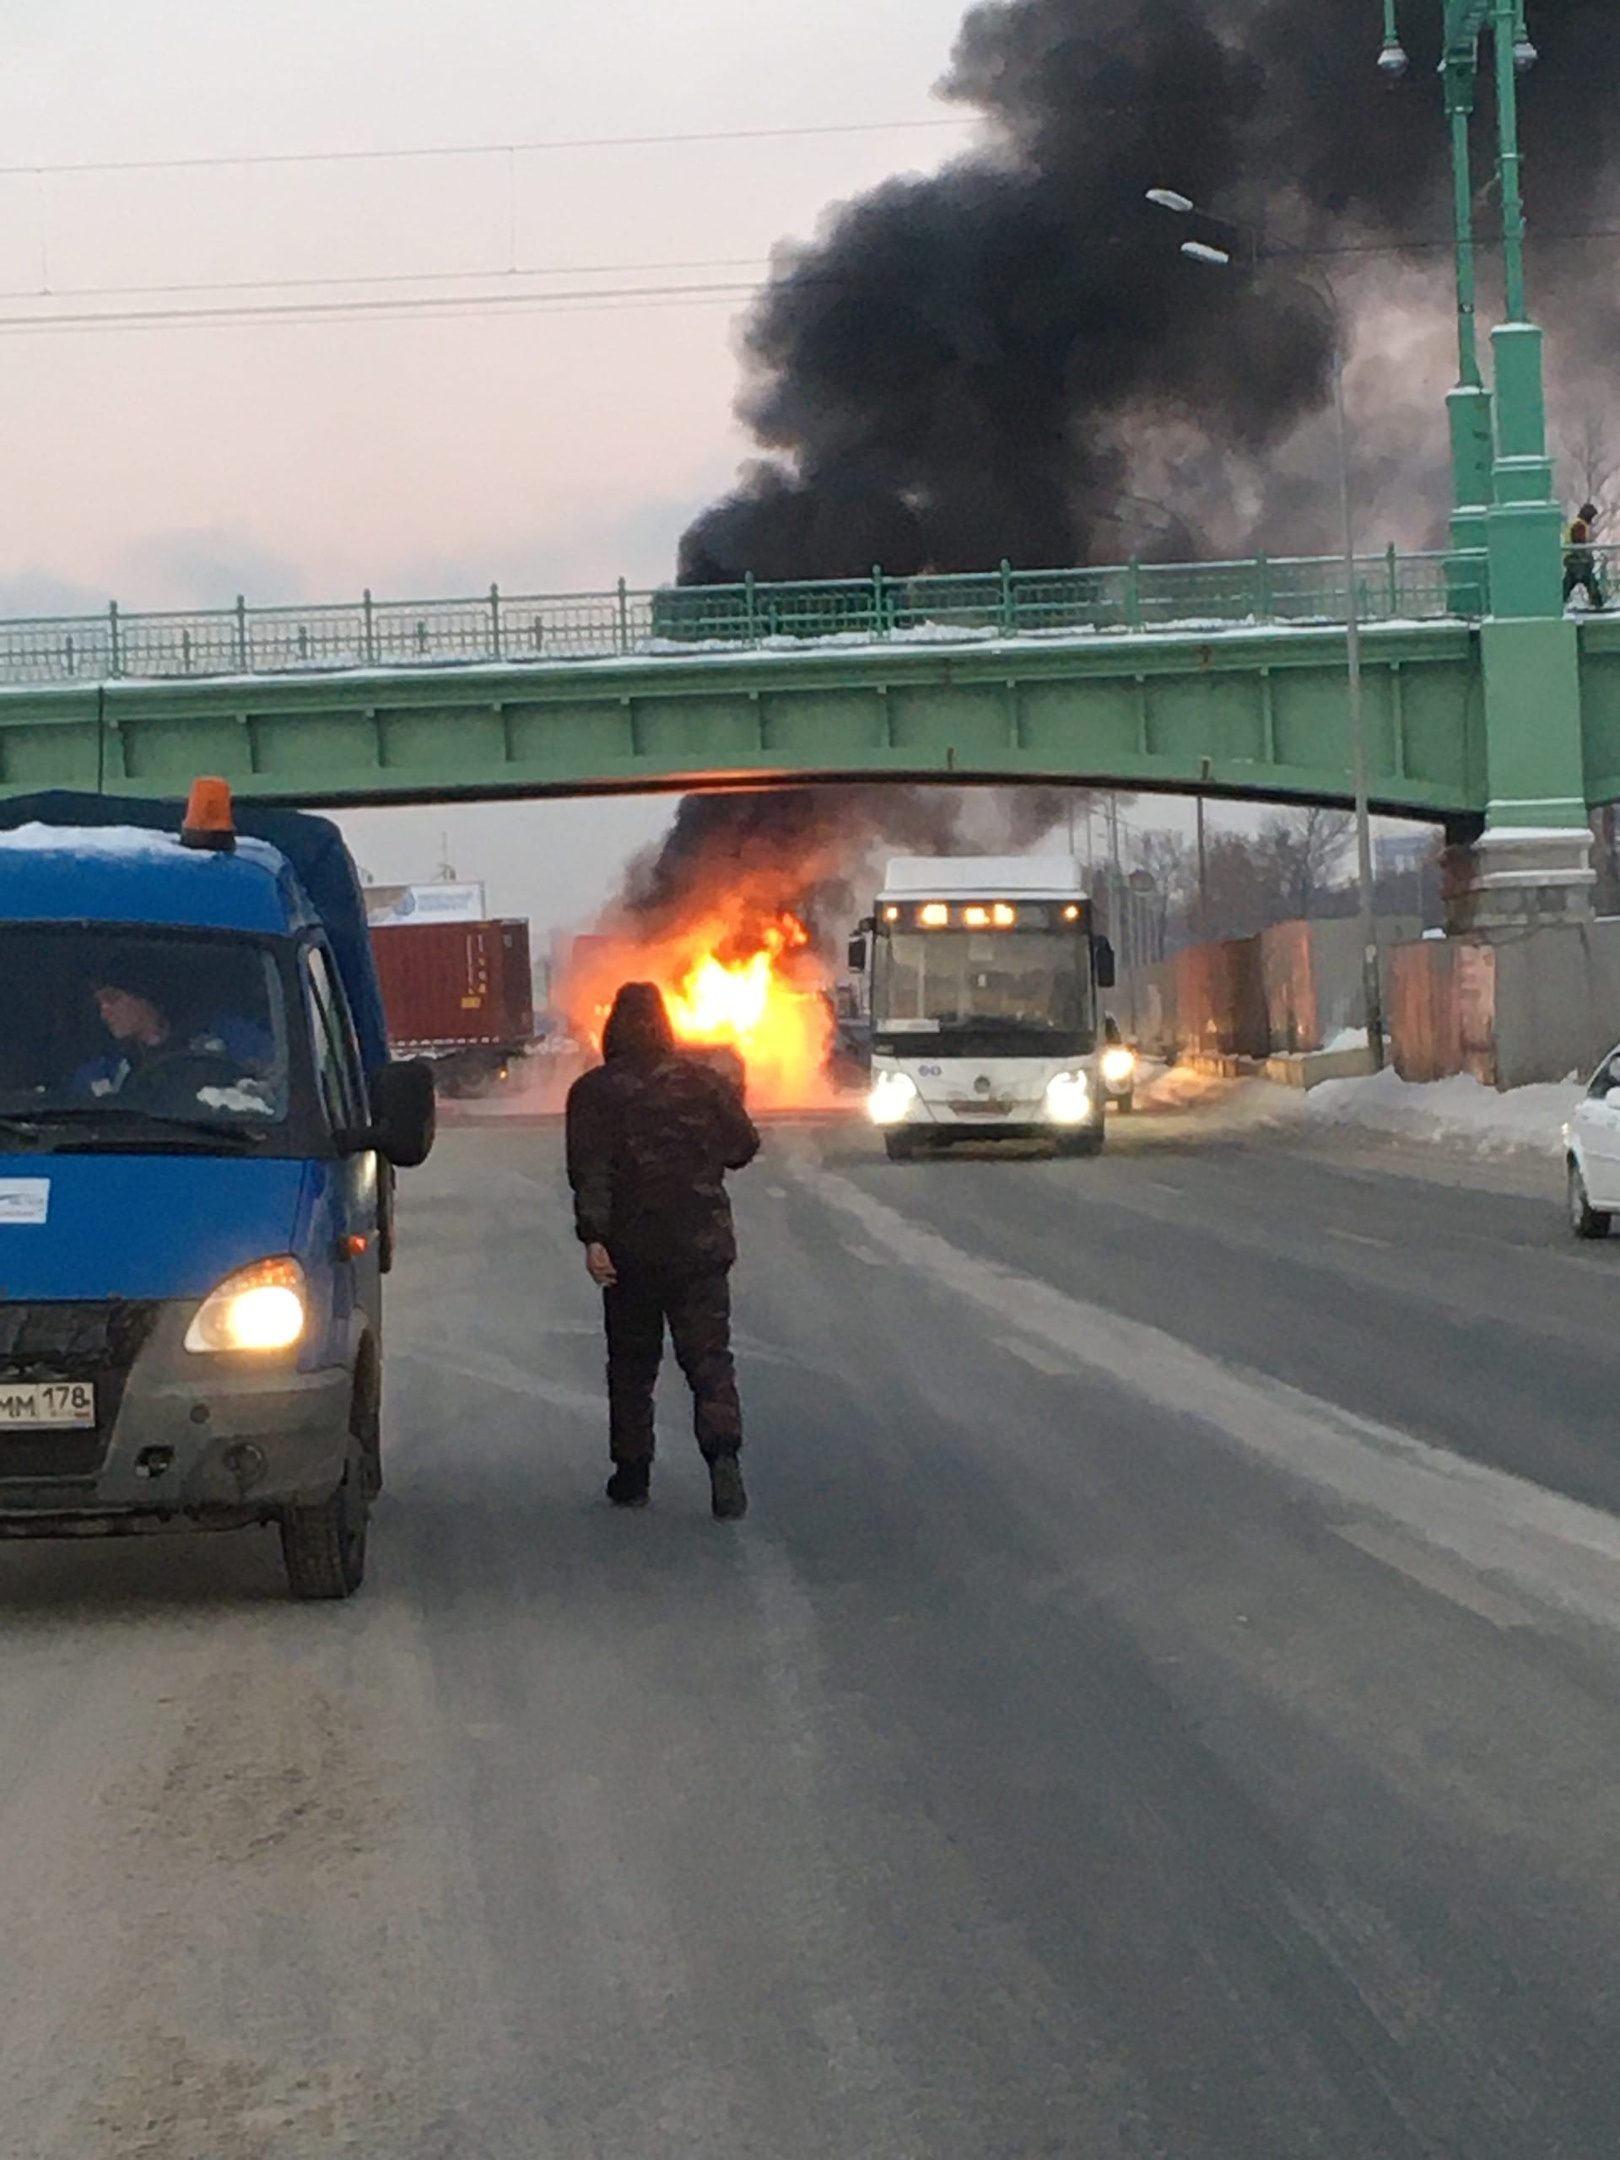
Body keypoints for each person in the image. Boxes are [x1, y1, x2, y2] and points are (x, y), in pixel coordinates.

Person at [565, 982, 760, 1518]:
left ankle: (631, 1474)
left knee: (631, 1365)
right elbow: (744, 1146)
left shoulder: (593, 1093)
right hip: (699, 1246)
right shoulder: (704, 1083)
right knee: (709, 1360)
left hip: (631, 1253)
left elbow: (589, 1173)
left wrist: (594, 1239)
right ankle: (723, 1462)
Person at [1564, 502, 1605, 610]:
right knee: (1591, 582)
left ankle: (1559, 602)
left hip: (1571, 560)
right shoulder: (1580, 526)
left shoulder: (1577, 523)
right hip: (1577, 561)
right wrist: (1587, 559)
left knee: (1568, 584)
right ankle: (1598, 604)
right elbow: (1579, 545)